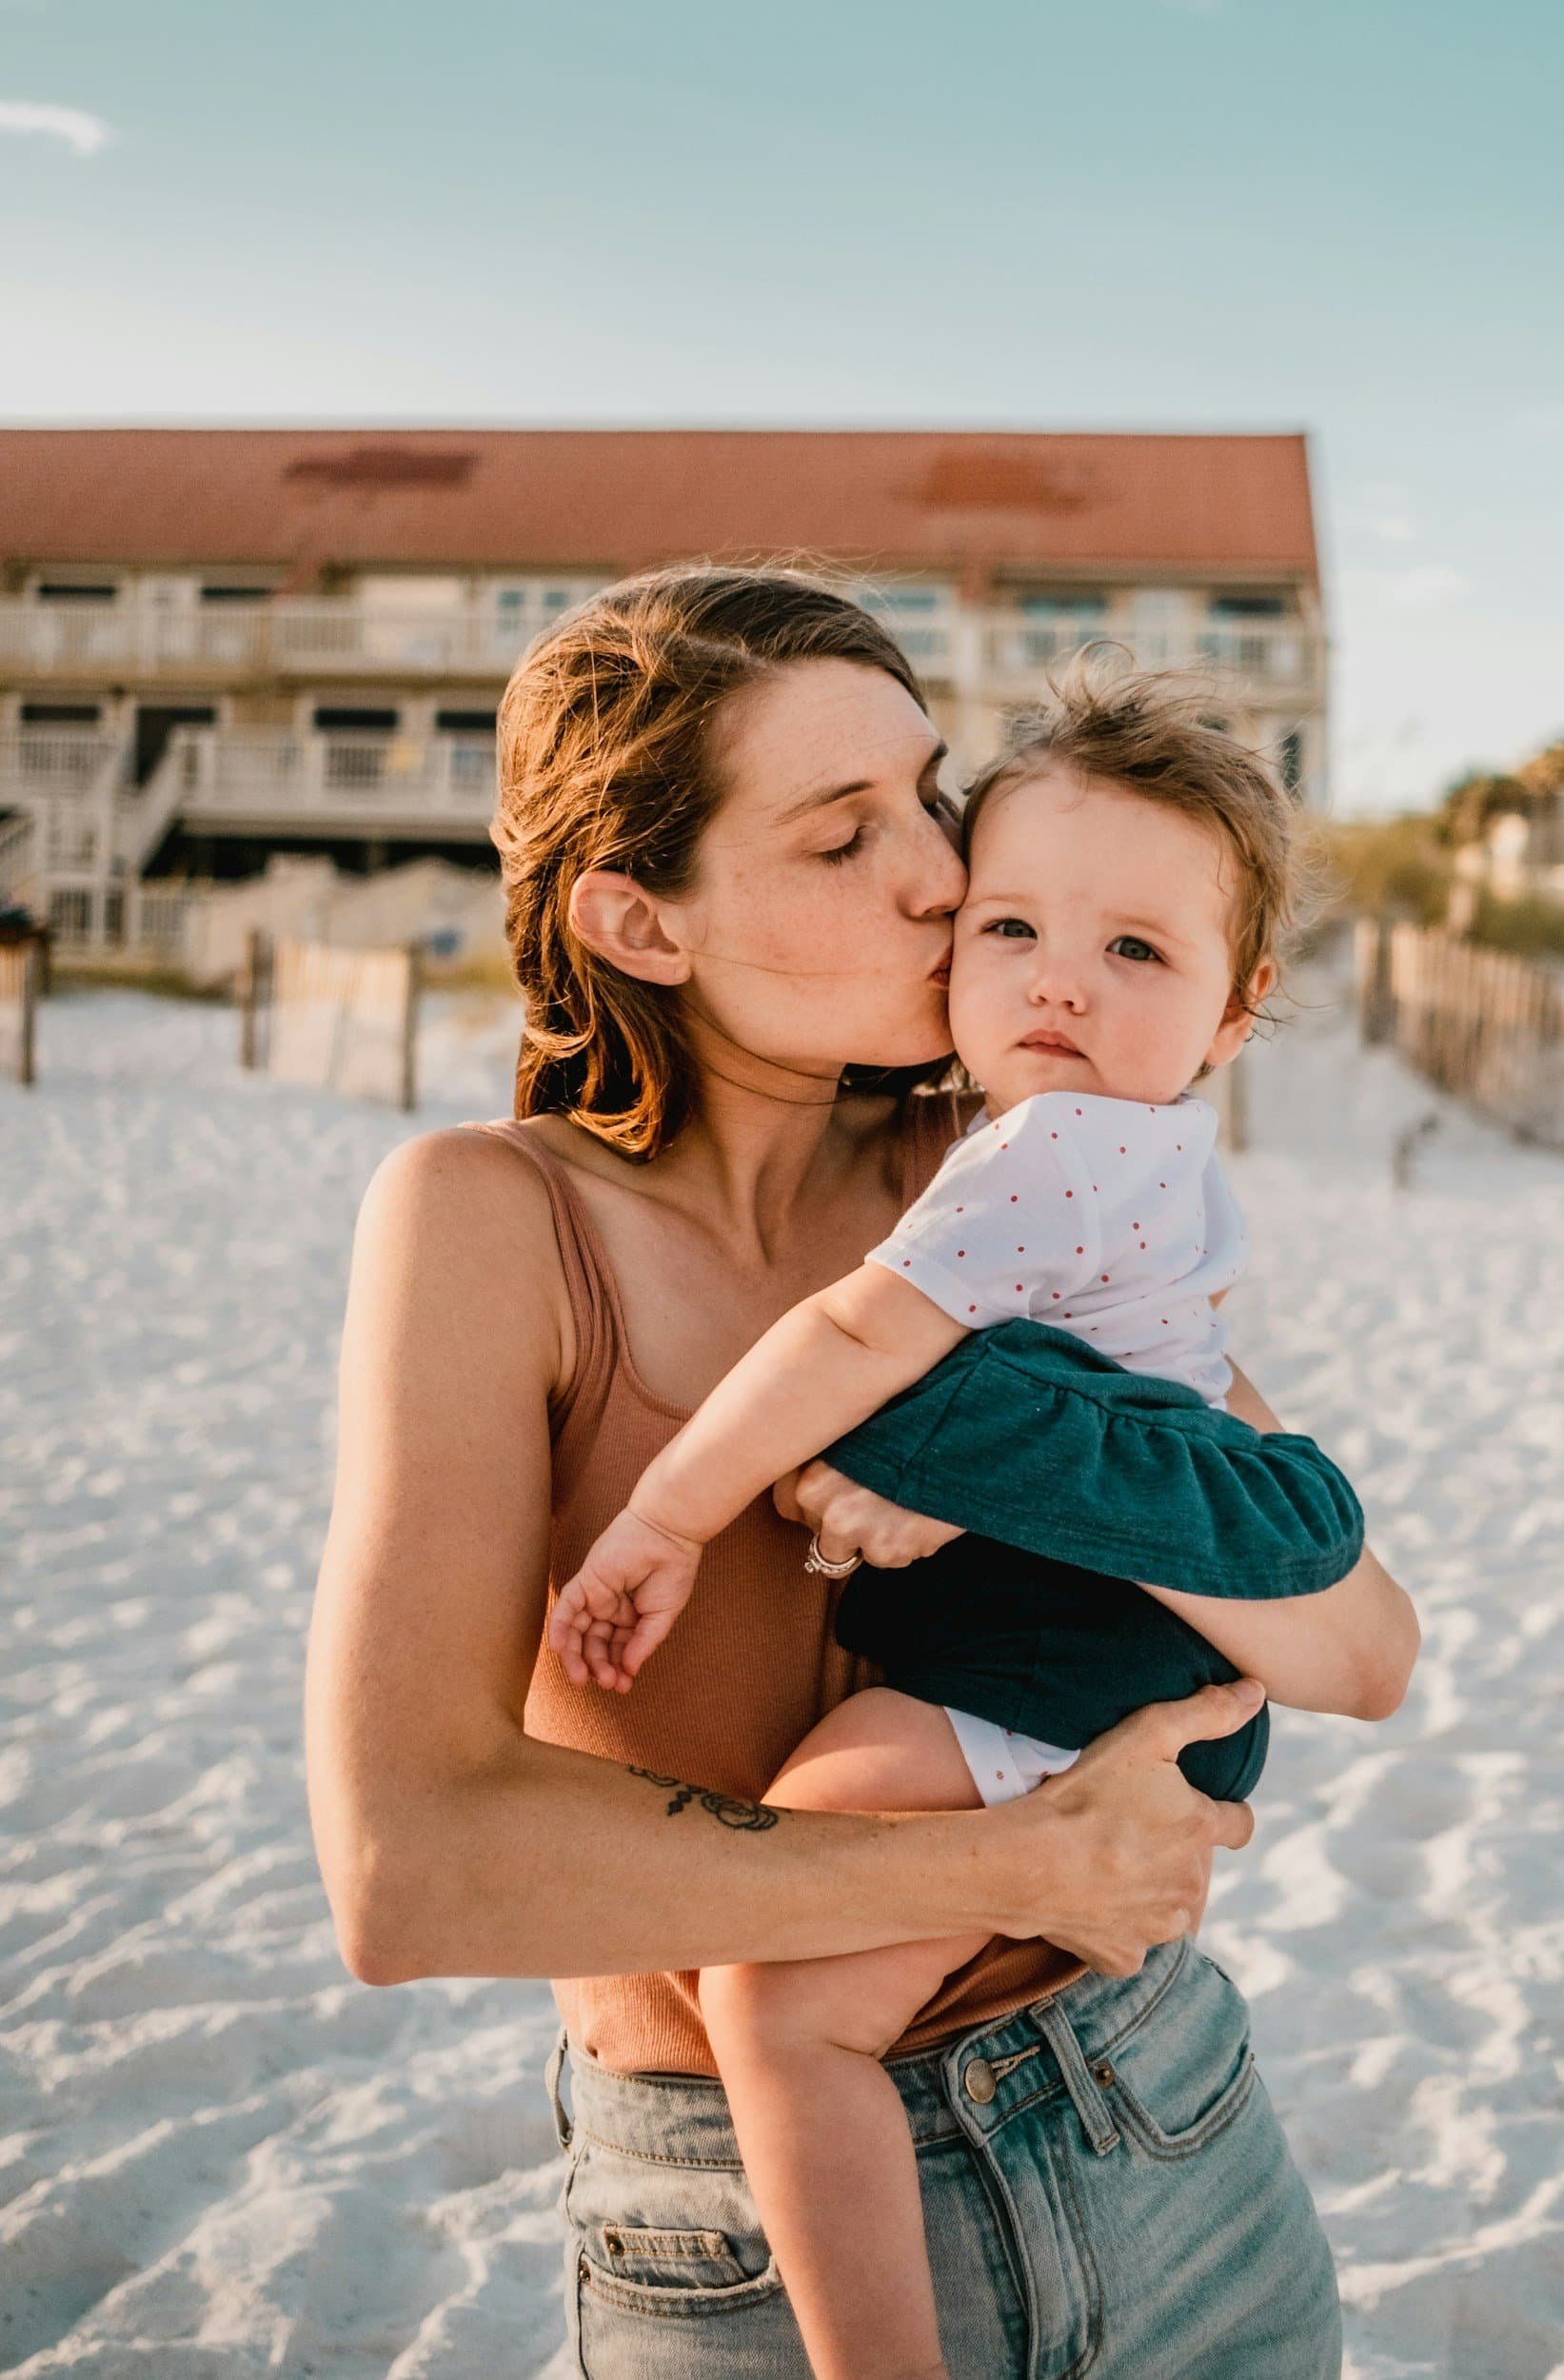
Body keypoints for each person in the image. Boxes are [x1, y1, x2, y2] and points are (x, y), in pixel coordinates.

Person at [306, 564, 1419, 2379]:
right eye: (841, 840)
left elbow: (1356, 1647)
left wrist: (1000, 1461)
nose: (934, 872)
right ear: (641, 924)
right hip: (749, 2236)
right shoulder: (493, 1225)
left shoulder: (1007, 1176)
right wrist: (1024, 1857)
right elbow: (406, 1869)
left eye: (927, 798)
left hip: (1163, 2126)